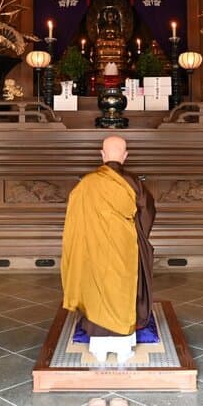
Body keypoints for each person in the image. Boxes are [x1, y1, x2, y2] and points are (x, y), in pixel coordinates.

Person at [61, 135, 155, 363]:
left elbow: (75, 218)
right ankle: (124, 346)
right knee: (123, 289)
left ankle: (99, 346)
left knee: (97, 287)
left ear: (102, 155)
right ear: (125, 156)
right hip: (125, 249)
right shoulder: (134, 183)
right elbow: (147, 212)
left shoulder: (86, 184)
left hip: (94, 248)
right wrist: (137, 235)